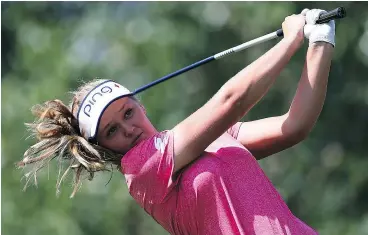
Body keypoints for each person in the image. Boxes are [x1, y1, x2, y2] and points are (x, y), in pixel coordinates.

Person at [18, 8, 335, 235]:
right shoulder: (141, 170)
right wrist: (291, 40)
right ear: (103, 148)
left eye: (128, 112)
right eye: (112, 131)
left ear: (140, 105)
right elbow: (231, 101)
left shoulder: (213, 138)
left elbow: (294, 126)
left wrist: (320, 40)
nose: (128, 129)